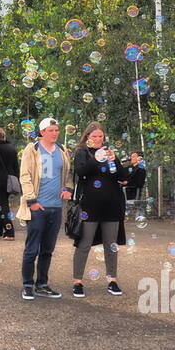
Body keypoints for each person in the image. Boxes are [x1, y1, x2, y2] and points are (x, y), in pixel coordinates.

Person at [16, 117, 74, 300]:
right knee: (32, 248)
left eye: (57, 130)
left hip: (56, 207)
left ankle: (42, 284)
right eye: (51, 130)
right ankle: (27, 284)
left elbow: (67, 175)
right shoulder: (32, 150)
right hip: (38, 207)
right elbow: (24, 176)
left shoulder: (62, 151)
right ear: (42, 132)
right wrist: (31, 201)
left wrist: (68, 189)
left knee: (48, 249)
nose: (55, 133)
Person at [69, 122, 128, 298]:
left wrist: (114, 160)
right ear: (87, 137)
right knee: (84, 244)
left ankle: (112, 280)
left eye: (100, 136)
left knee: (111, 245)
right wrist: (96, 159)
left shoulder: (110, 153)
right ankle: (77, 282)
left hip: (112, 206)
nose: (98, 139)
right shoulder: (82, 153)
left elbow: (123, 177)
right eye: (94, 136)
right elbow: (81, 172)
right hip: (89, 206)